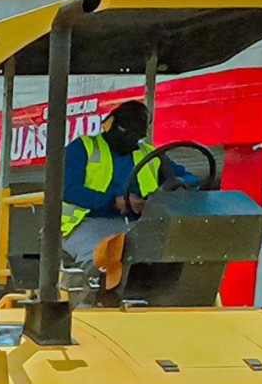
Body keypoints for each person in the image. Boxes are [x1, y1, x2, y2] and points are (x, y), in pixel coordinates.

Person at [61, 100, 197, 270]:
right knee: (100, 259)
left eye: (136, 136)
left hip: (138, 224)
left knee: (173, 259)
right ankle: (91, 295)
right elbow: (67, 189)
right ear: (109, 125)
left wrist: (165, 194)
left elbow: (189, 178)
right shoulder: (82, 148)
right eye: (126, 133)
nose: (130, 140)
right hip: (84, 223)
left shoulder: (149, 154)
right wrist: (113, 201)